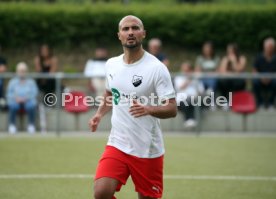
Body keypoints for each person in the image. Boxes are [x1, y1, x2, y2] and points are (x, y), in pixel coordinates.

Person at [88, 15, 177, 199]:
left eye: (135, 28)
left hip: (147, 149)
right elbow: (110, 94)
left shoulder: (157, 68)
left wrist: (149, 109)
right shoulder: (111, 64)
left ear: (143, 34)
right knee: (101, 192)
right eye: (126, 29)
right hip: (118, 143)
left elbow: (172, 108)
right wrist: (99, 114)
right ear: (119, 35)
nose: (130, 32)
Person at [6, 62, 38, 134]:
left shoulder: (31, 82)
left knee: (31, 106)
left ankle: (31, 125)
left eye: (23, 71)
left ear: (26, 71)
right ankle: (12, 126)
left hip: (28, 101)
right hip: (15, 101)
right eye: (20, 71)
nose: (22, 73)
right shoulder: (12, 82)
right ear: (17, 72)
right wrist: (16, 98)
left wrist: (26, 98)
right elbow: (9, 94)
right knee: (12, 106)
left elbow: (35, 92)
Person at [174, 61, 204, 128]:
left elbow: (201, 91)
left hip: (194, 99)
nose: (185, 72)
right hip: (182, 100)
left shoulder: (196, 78)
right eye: (184, 70)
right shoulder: (179, 77)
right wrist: (189, 79)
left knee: (200, 102)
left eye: (187, 70)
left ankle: (193, 120)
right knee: (186, 102)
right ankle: (188, 120)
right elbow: (180, 87)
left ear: (190, 70)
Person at [217, 43, 247, 109]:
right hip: (227, 79)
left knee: (239, 83)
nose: (229, 52)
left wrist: (234, 62)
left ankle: (236, 102)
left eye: (231, 50)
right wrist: (226, 61)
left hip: (238, 80)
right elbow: (222, 72)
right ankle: (225, 102)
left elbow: (239, 71)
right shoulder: (225, 59)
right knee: (222, 82)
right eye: (228, 50)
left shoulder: (242, 58)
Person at [252, 37, 276, 109]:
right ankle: (260, 102)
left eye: (271, 47)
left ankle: (271, 103)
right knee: (255, 82)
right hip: (260, 78)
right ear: (264, 47)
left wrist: (271, 78)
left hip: (273, 78)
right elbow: (254, 70)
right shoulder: (258, 57)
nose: (269, 49)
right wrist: (261, 78)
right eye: (268, 47)